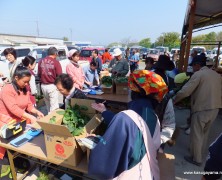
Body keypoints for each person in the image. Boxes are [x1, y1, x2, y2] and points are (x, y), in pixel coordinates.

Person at [89, 70, 170, 179]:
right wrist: (105, 111)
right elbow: (133, 126)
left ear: (134, 91)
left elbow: (102, 167)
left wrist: (96, 143)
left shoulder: (125, 118)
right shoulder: (153, 117)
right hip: (149, 174)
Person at [173, 55, 222, 166]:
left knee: (197, 133)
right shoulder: (216, 75)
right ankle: (198, 152)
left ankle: (196, 159)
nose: (193, 69)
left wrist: (175, 99)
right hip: (215, 108)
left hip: (202, 108)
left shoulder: (199, 74)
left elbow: (186, 91)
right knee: (204, 132)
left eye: (193, 66)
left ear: (198, 65)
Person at [38, 47, 62, 113]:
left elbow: (39, 74)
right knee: (54, 107)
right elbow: (59, 76)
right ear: (55, 53)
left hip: (43, 86)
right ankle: (52, 120)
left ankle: (48, 118)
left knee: (48, 105)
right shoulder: (56, 62)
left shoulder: (41, 61)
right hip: (52, 86)